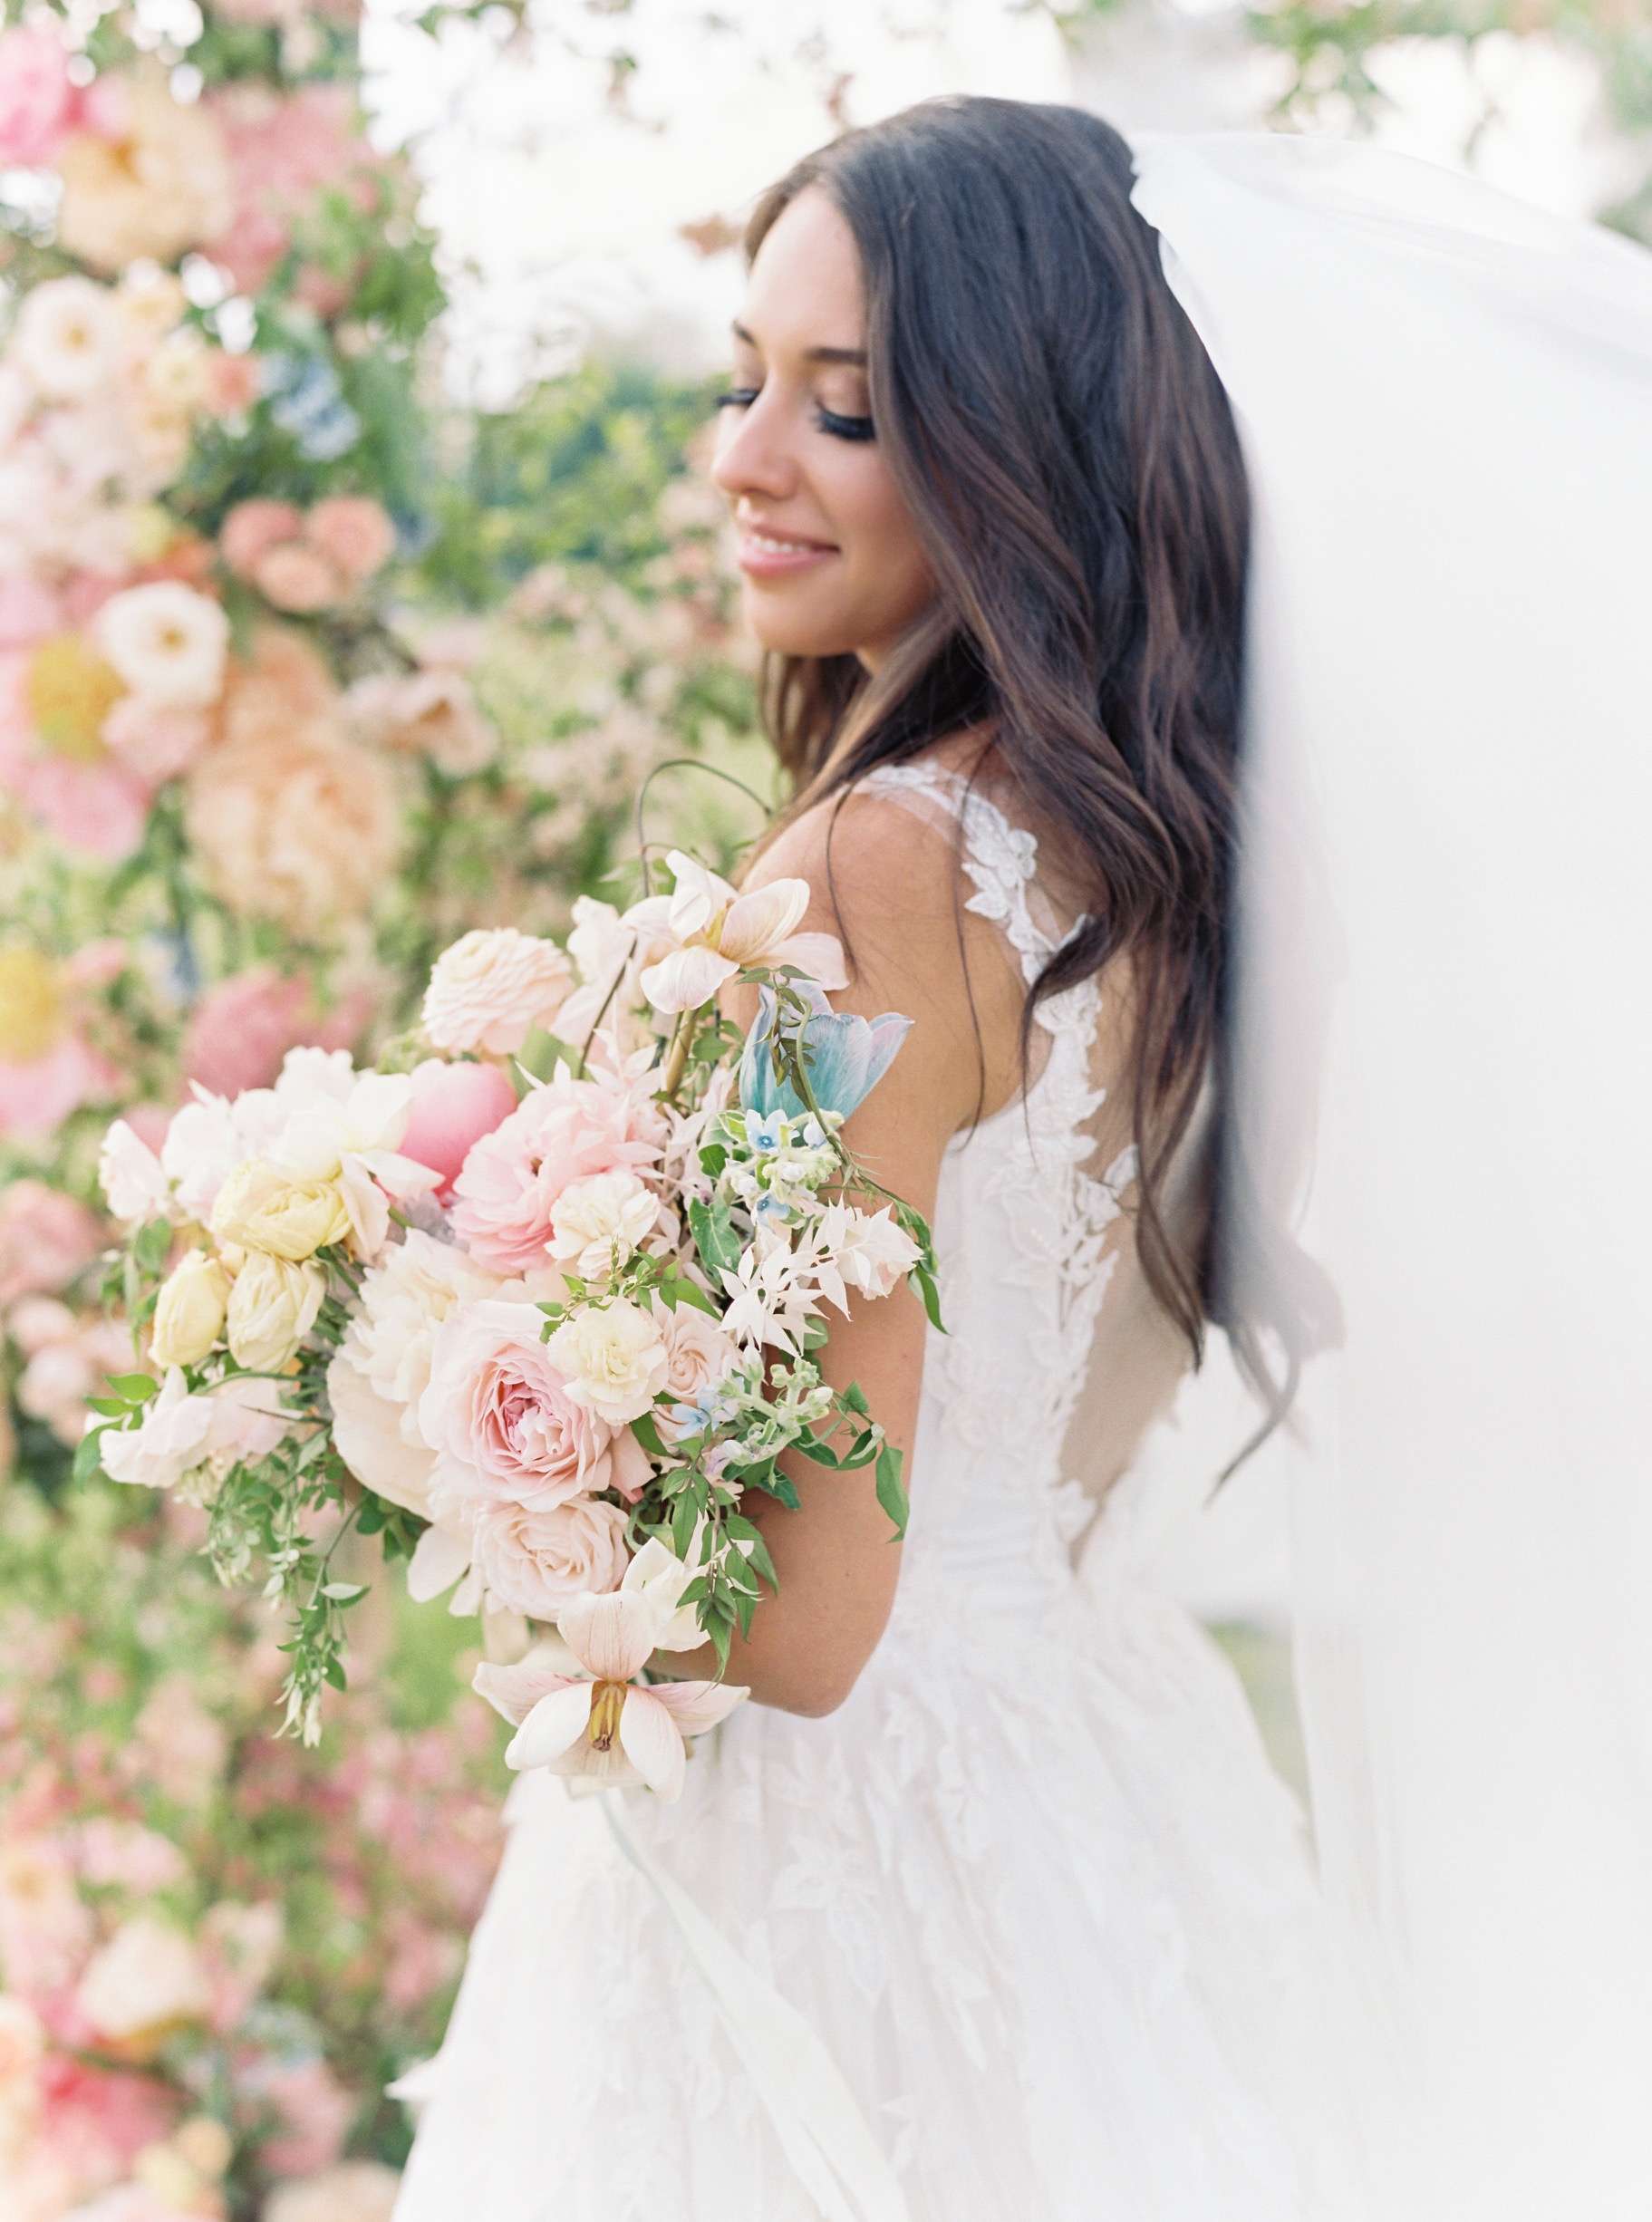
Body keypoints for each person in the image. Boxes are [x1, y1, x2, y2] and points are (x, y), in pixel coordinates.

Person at [395, 97, 1652, 2222]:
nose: (742, 461)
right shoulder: (1227, 861)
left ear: (1014, 438)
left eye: (848, 410)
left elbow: (802, 1623)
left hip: (847, 1852)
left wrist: (463, 1422)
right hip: (1106, 1766)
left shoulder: (879, 872)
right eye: (742, 380)